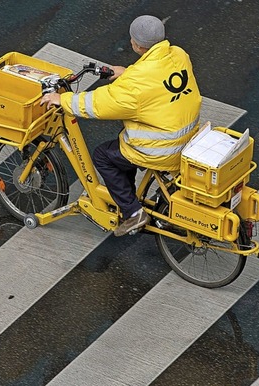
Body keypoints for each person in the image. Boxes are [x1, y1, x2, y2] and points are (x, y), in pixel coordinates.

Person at [40, 15, 202, 236]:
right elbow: (155, 81)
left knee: (103, 155)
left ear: (136, 44)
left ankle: (133, 212)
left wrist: (63, 100)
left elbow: (100, 104)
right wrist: (126, 73)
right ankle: (127, 197)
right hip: (189, 136)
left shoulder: (135, 83)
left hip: (161, 148)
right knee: (122, 145)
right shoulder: (178, 55)